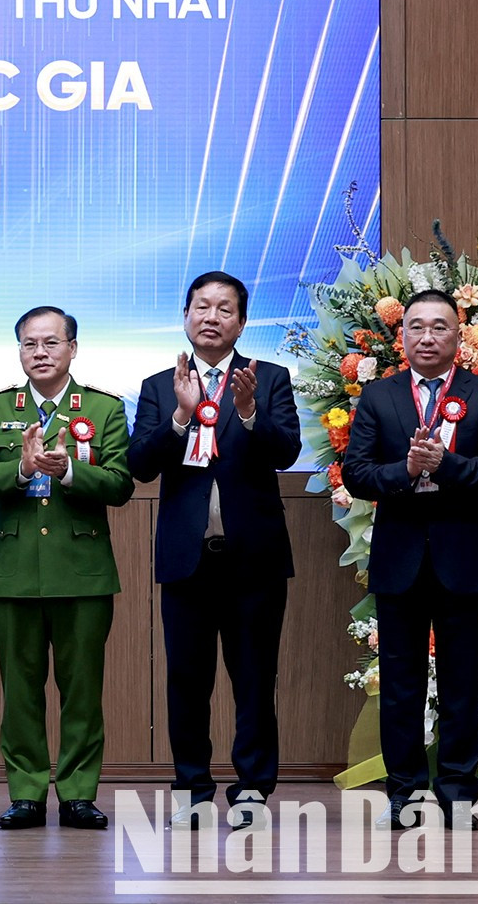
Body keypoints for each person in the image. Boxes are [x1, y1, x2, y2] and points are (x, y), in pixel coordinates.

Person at [130, 270, 301, 828]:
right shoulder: (160, 385)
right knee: (187, 677)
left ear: (242, 322)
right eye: (201, 307)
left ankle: (252, 789)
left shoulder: (270, 379)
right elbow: (140, 465)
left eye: (224, 309)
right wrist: (180, 416)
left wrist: (250, 413)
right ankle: (192, 788)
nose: (211, 317)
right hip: (187, 558)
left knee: (254, 677)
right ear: (185, 316)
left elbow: (286, 449)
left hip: (254, 558)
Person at [342, 288, 478, 828]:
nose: (428, 336)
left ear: (459, 337)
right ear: (402, 336)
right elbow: (357, 474)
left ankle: (458, 793)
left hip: (463, 558)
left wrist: (450, 465)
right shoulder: (378, 397)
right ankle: (406, 793)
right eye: (417, 326)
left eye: (440, 326)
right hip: (400, 560)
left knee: (462, 681)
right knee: (401, 683)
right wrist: (407, 472)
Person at [0, 306, 132, 831]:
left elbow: (122, 484)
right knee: (20, 690)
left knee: (82, 690)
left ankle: (80, 793)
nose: (40, 353)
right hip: (16, 569)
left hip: (82, 570)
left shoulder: (103, 408)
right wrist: (20, 467)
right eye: (29, 344)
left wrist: (69, 473)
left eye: (51, 343)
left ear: (73, 348)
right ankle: (27, 793)